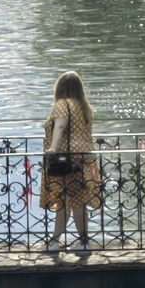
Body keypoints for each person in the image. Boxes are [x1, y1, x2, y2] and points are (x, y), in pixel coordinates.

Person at [41, 70, 101, 257]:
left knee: (65, 200)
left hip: (66, 159)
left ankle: (55, 242)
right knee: (78, 200)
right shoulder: (84, 107)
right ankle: (83, 241)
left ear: (60, 87)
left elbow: (60, 126)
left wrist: (52, 148)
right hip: (83, 158)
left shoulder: (62, 104)